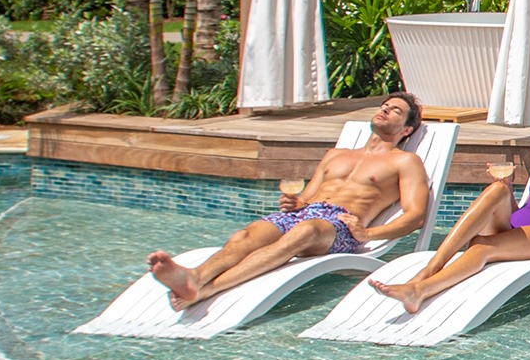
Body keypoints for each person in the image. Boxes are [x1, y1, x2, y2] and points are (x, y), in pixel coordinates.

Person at [145, 92, 436, 310]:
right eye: (384, 105)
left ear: (406, 130)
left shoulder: (405, 161)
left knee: (306, 230)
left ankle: (208, 289)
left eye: (395, 110)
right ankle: (196, 277)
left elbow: (416, 215)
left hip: (339, 225)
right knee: (244, 236)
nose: (385, 109)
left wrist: (368, 233)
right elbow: (307, 198)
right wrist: (295, 203)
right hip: (305, 215)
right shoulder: (336, 154)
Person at [380, 107, 530, 315]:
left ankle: (421, 289)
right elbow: (524, 209)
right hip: (514, 224)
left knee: (481, 246)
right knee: (497, 189)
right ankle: (433, 265)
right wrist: (506, 185)